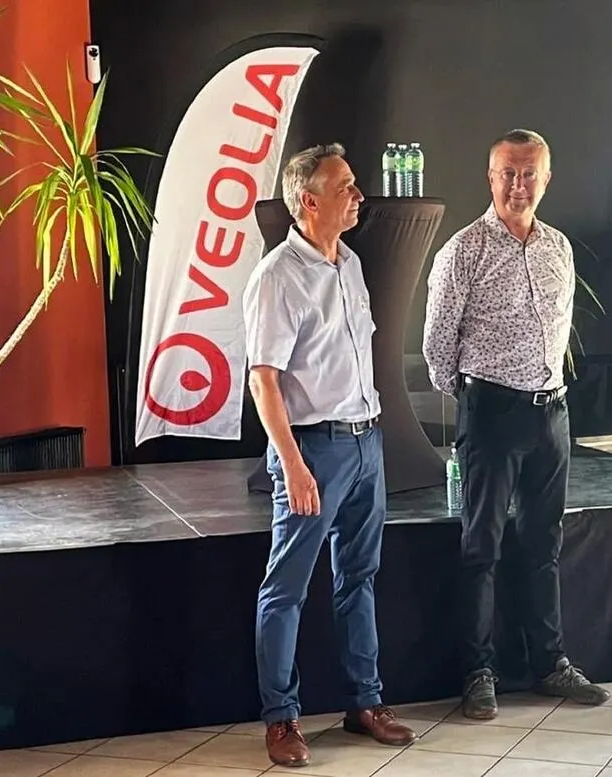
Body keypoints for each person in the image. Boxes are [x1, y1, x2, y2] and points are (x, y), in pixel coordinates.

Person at [422, 129, 611, 720]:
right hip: (492, 413)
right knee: (482, 546)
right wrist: (476, 399)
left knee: (544, 544)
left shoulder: (558, 247)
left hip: (552, 412)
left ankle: (550, 665)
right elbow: (436, 345)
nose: (518, 185)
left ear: (546, 179)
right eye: (508, 173)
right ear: (490, 177)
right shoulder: (463, 250)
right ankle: (479, 673)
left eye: (529, 173)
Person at [243, 143, 416, 768]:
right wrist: (292, 464)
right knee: (286, 589)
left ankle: (365, 703)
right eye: (345, 187)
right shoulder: (277, 277)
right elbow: (263, 381)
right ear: (308, 201)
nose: (359, 196)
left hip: (366, 441)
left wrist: (372, 440)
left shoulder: (351, 264)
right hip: (313, 449)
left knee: (359, 578)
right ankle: (281, 719)